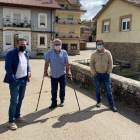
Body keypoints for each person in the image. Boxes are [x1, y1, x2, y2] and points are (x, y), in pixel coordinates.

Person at [4, 38, 31, 130]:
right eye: (21, 45)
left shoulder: (26, 53)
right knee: (14, 101)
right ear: (17, 45)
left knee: (20, 99)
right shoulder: (11, 54)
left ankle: (17, 116)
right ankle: (11, 121)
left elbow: (27, 64)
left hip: (24, 80)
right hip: (16, 81)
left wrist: (29, 71)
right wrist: (13, 79)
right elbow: (8, 67)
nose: (23, 46)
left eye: (24, 44)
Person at [90, 40, 117, 112]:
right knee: (98, 89)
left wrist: (108, 72)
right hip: (97, 74)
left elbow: (111, 63)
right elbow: (91, 64)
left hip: (106, 74)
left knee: (108, 89)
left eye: (100, 44)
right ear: (96, 45)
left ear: (103, 44)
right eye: (97, 44)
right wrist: (94, 72)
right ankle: (99, 101)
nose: (99, 46)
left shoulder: (108, 53)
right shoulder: (94, 54)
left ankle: (112, 104)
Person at [44, 39, 71, 109]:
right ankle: (54, 102)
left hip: (62, 74)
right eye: (56, 44)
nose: (58, 46)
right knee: (54, 89)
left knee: (62, 88)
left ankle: (62, 101)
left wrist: (69, 71)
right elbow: (46, 63)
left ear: (61, 45)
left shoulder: (64, 52)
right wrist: (45, 72)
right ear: (53, 45)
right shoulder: (50, 53)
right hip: (53, 74)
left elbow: (67, 63)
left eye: (59, 44)